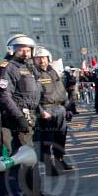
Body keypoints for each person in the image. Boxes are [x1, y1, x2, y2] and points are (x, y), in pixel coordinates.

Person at [0, 35, 57, 196]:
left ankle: (34, 193)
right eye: (22, 48)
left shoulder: (27, 67)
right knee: (28, 158)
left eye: (28, 49)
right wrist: (19, 117)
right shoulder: (7, 67)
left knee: (31, 157)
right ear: (12, 49)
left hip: (29, 117)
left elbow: (31, 94)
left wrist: (40, 110)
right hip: (17, 120)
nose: (26, 52)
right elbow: (4, 96)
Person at [33, 47, 75, 176]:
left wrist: (66, 108)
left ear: (48, 59)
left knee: (60, 137)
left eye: (43, 58)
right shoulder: (33, 74)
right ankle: (48, 166)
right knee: (46, 139)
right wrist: (40, 111)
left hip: (59, 109)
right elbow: (32, 96)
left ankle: (59, 159)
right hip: (45, 109)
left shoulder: (53, 72)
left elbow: (61, 90)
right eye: (38, 58)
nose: (41, 61)